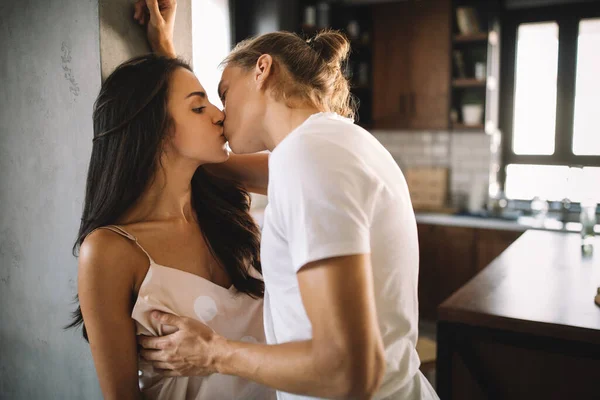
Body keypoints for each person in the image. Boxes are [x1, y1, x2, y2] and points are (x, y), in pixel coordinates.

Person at [135, 0, 439, 399]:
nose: (220, 116)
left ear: (262, 69)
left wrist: (213, 353)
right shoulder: (332, 144)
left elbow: (350, 371)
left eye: (224, 94)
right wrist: (166, 58)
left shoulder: (309, 157)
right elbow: (214, 162)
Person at [66, 53, 275, 399]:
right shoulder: (110, 251)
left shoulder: (225, 214)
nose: (219, 115)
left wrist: (167, 55)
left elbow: (290, 169)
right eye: (198, 108)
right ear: (153, 129)